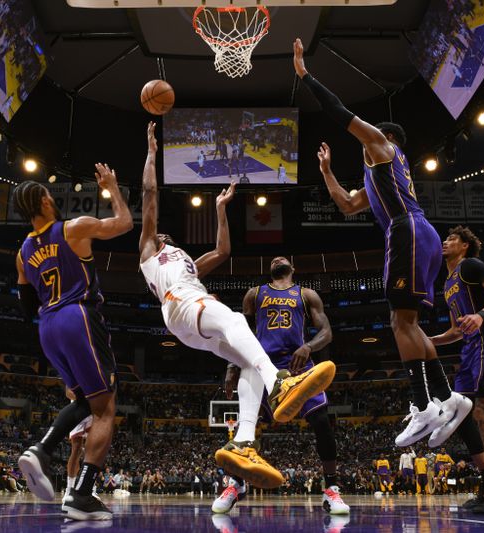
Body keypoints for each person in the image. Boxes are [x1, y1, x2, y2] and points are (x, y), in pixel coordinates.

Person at [292, 37, 471, 448]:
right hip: (416, 231)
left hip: (406, 230)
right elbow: (347, 205)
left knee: (398, 322)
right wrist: (326, 172)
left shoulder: (382, 146)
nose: (362, 143)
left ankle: (423, 405)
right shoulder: (377, 177)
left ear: (382, 137)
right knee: (408, 324)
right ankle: (448, 398)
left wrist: (305, 74)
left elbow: (338, 112)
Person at [138, 121, 336, 492]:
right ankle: (279, 382)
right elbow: (150, 192)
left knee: (247, 360)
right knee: (232, 318)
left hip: (189, 318)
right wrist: (151, 153)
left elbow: (224, 252)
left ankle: (244, 441)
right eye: (159, 233)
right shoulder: (152, 254)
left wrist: (220, 208)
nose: (162, 233)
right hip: (181, 304)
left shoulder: (187, 263)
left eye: (164, 233)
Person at [13, 159, 132, 521]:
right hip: (77, 315)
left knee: (85, 399)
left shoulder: (22, 253)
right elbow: (125, 223)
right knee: (106, 406)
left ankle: (44, 450)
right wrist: (111, 187)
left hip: (47, 326)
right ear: (46, 203)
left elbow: (25, 304)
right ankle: (80, 492)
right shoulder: (72, 229)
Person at [216, 257, 349, 515]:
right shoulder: (254, 294)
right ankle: (236, 484)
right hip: (261, 366)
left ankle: (331, 490)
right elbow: (240, 333)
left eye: (284, 258)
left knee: (322, 420)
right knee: (246, 426)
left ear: (293, 268)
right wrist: (232, 366)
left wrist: (309, 346)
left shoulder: (306, 294)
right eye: (275, 259)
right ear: (269, 270)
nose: (278, 258)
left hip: (298, 365)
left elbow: (327, 332)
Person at [431, 226, 484, 513]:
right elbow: (457, 330)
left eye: (452, 239)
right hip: (469, 347)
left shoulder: (471, 265)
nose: (445, 242)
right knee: (461, 413)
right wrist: (428, 341)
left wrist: (481, 315)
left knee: (482, 411)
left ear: (465, 246)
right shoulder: (447, 283)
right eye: (445, 239)